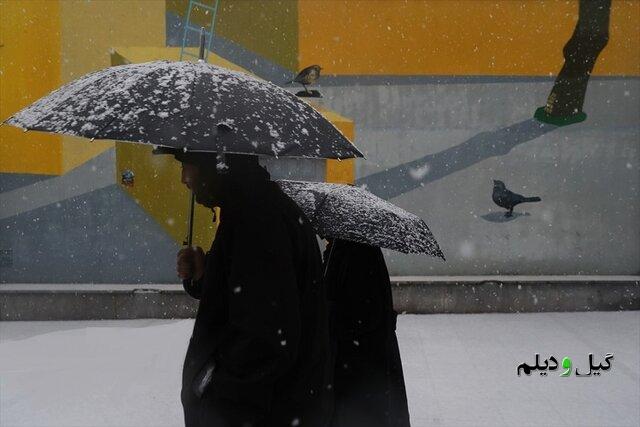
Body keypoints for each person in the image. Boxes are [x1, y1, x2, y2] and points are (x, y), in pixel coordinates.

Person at [175, 152, 332, 427]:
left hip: (261, 412)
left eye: (188, 167)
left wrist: (213, 385)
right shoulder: (253, 208)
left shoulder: (256, 218)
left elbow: (266, 336)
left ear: (216, 165)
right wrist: (204, 274)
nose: (184, 179)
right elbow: (248, 294)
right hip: (276, 407)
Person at [323, 239, 411, 427]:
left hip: (359, 365)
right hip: (364, 362)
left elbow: (361, 313)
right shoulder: (353, 248)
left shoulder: (352, 251)